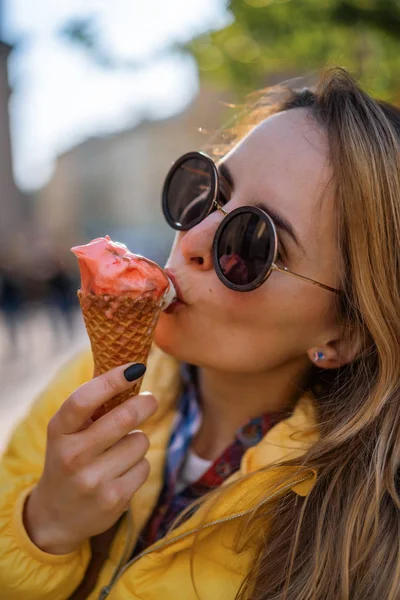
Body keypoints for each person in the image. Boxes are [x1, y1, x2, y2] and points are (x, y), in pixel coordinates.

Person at [1, 67, 399, 600]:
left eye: (256, 243)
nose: (195, 236)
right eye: (207, 194)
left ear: (344, 333)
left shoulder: (359, 542)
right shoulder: (85, 383)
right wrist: (43, 525)